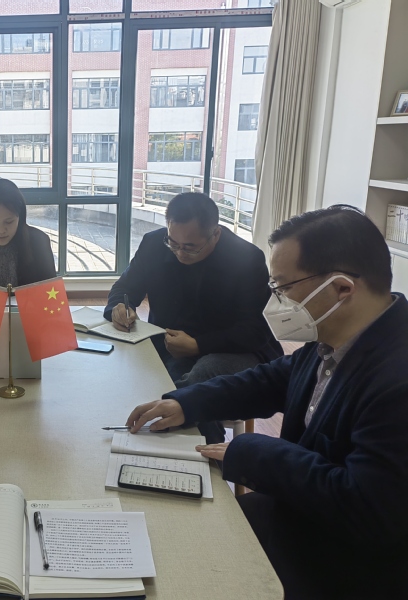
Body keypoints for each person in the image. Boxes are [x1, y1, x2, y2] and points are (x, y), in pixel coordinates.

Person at [125, 205, 408, 598]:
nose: (276, 301)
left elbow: (366, 508)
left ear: (342, 289)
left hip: (350, 564)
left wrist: (251, 452)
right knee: (177, 532)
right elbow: (271, 380)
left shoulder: (397, 380)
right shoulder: (333, 338)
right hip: (303, 512)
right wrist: (187, 403)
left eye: (284, 287)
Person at [105, 192, 282, 388]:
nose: (180, 253)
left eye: (190, 247)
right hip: (169, 344)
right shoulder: (154, 244)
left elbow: (256, 330)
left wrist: (198, 345)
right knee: (119, 365)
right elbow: (125, 287)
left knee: (201, 375)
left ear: (216, 234)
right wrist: (119, 306)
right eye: (173, 243)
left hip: (228, 348)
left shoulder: (246, 259)